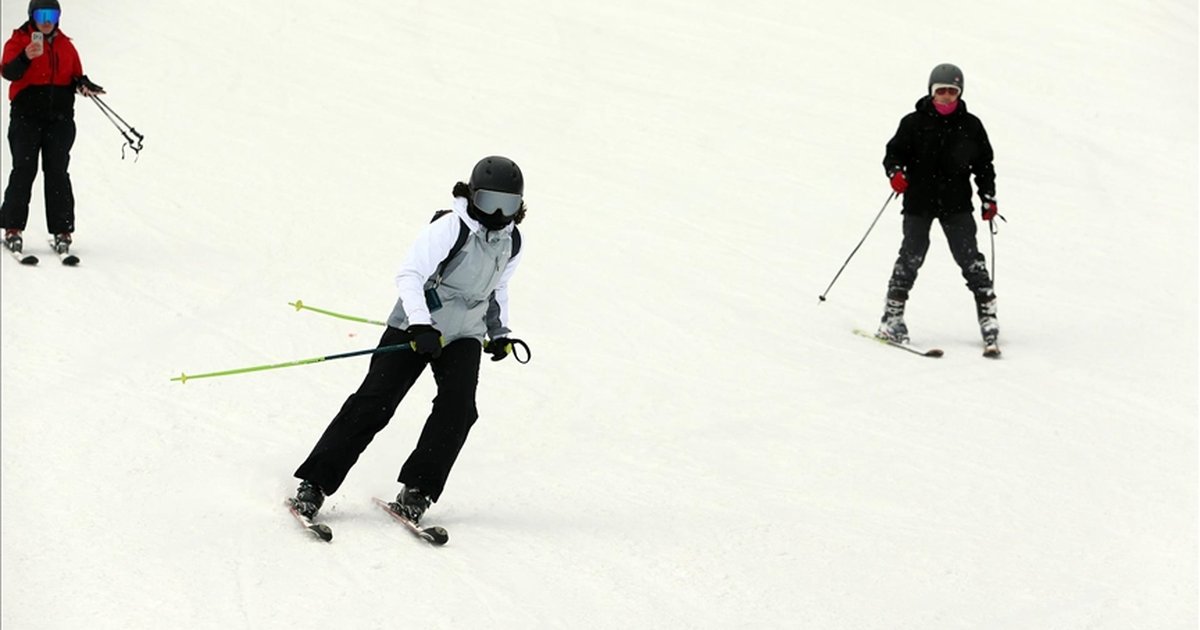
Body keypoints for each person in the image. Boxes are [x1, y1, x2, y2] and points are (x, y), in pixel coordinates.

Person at [290, 156, 529, 524]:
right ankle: (314, 483)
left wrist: (499, 333)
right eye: (489, 202)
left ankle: (418, 490)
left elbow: (498, 288)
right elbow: (410, 274)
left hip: (465, 333)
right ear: (472, 196)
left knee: (459, 409)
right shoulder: (452, 228)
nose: (498, 212)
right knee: (375, 402)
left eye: (508, 204)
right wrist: (420, 325)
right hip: (417, 327)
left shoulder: (512, 240)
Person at [876, 63, 999, 348]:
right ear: (931, 92)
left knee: (970, 260)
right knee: (911, 256)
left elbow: (984, 166)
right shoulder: (913, 123)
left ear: (960, 93)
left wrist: (988, 197)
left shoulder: (971, 125)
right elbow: (893, 153)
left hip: (956, 204)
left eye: (952, 91)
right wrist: (895, 173)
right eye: (941, 91)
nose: (946, 96)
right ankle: (891, 319)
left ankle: (988, 318)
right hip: (919, 202)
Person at [0, 0, 103, 256]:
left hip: (60, 120)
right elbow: (8, 72)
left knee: (58, 172)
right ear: (32, 16)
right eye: (42, 14)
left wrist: (84, 85)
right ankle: (13, 228)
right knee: (24, 170)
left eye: (52, 14)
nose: (47, 20)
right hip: (26, 118)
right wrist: (26, 56)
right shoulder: (19, 42)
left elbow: (75, 75)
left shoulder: (66, 45)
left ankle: (62, 230)